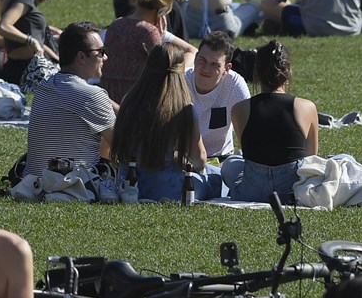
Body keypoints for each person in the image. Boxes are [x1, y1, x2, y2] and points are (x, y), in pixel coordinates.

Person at [115, 42, 218, 202]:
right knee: (217, 179)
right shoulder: (184, 109)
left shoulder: (129, 100)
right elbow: (199, 159)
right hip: (168, 189)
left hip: (128, 184)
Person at [227, 41, 317, 204]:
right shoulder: (306, 107)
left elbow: (248, 153)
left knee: (230, 165)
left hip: (250, 193)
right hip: (293, 192)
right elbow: (312, 158)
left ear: (257, 73)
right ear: (288, 72)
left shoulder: (239, 109)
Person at [21, 21, 114, 177]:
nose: (105, 57)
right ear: (81, 56)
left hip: (33, 182)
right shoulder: (92, 95)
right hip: (75, 185)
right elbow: (123, 146)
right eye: (101, 51)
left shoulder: (44, 86)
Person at [186, 31, 250, 162]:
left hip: (220, 158)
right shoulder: (180, 82)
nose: (206, 69)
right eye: (202, 60)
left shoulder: (235, 85)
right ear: (195, 57)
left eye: (214, 64)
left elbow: (248, 134)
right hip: (184, 158)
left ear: (227, 68)